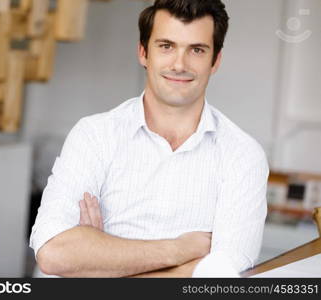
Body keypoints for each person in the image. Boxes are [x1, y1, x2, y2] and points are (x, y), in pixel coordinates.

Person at [29, 0, 269, 278]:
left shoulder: (243, 155)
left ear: (215, 61)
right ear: (143, 52)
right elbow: (54, 253)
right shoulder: (94, 135)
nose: (180, 64)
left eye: (197, 50)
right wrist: (178, 251)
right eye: (166, 46)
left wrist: (96, 263)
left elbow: (219, 274)